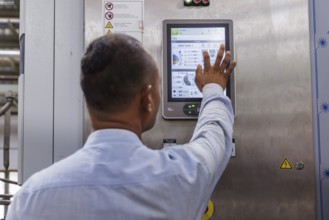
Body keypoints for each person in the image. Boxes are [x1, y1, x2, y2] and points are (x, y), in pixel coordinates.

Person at [6, 33, 237, 220]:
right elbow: (214, 136)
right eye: (157, 87)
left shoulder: (32, 196)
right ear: (147, 99)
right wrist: (213, 88)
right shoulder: (182, 176)